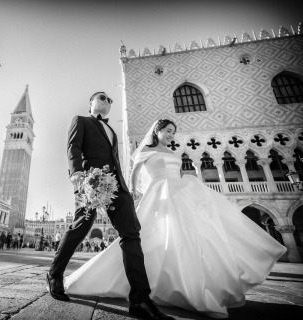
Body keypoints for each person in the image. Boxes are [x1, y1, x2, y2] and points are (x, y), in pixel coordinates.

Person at [64, 119, 287, 319]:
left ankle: (189, 283)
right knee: (151, 238)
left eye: (174, 132)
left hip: (180, 194)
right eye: (168, 131)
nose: (171, 135)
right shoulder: (145, 151)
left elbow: (177, 174)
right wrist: (133, 195)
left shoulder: (171, 153)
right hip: (159, 194)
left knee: (192, 235)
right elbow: (133, 177)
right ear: (156, 131)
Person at [46, 92, 173, 320]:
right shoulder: (81, 120)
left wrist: (125, 186)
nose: (107, 101)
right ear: (91, 102)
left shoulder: (113, 131)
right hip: (91, 179)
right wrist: (76, 172)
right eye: (102, 97)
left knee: (131, 234)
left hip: (117, 186)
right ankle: (55, 274)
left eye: (110, 100)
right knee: (82, 227)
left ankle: (140, 299)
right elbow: (73, 146)